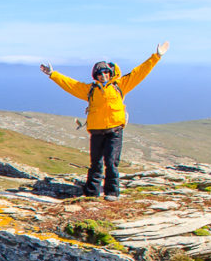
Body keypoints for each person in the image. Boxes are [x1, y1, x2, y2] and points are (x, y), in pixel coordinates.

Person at [40, 41, 169, 200]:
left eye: (105, 73)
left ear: (110, 73)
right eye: (99, 74)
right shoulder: (90, 90)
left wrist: (156, 56)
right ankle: (91, 194)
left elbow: (139, 72)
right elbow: (71, 85)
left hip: (114, 131)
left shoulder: (120, 85)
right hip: (97, 131)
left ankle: (112, 193)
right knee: (95, 164)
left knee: (111, 162)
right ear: (96, 76)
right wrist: (53, 74)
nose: (103, 76)